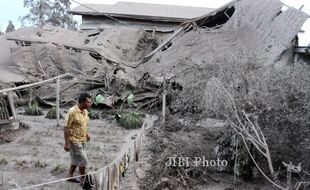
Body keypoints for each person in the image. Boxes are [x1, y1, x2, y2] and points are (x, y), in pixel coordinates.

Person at [64, 93, 92, 183]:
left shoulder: (85, 112)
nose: (90, 104)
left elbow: (83, 124)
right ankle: (83, 178)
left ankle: (70, 175)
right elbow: (66, 127)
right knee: (83, 160)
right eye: (88, 102)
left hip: (82, 139)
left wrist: (86, 134)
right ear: (82, 102)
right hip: (74, 140)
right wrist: (66, 143)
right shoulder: (72, 112)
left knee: (76, 159)